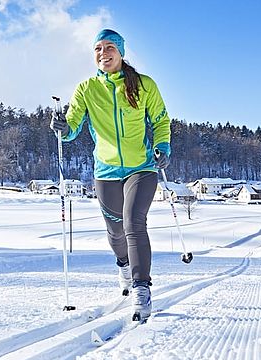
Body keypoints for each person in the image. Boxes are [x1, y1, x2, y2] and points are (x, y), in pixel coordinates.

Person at [50, 28, 171, 322]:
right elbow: (74, 124)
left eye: (109, 48)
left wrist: (162, 145)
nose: (103, 53)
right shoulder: (87, 89)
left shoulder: (144, 85)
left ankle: (142, 288)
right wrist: (64, 129)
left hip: (141, 167)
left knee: (133, 222)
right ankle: (123, 266)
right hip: (105, 170)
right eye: (98, 49)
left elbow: (160, 119)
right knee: (115, 231)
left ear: (121, 52)